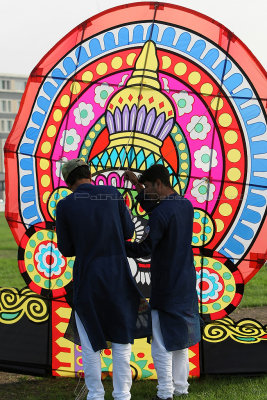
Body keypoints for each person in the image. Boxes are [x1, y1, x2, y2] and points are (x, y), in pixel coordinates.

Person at [56, 158, 150, 400]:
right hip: (118, 276)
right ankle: (122, 395)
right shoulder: (112, 194)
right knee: (121, 341)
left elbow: (66, 249)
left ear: (68, 181)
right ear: (89, 173)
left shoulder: (65, 205)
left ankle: (95, 395)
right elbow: (129, 232)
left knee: (89, 343)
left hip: (88, 278)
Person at [124, 164, 201, 400]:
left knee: (160, 342)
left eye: (148, 186)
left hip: (166, 286)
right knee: (180, 342)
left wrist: (117, 245)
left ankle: (165, 391)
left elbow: (144, 246)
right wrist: (137, 184)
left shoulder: (160, 213)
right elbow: (154, 208)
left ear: (158, 183)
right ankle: (181, 388)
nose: (146, 191)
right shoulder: (185, 205)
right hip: (186, 283)